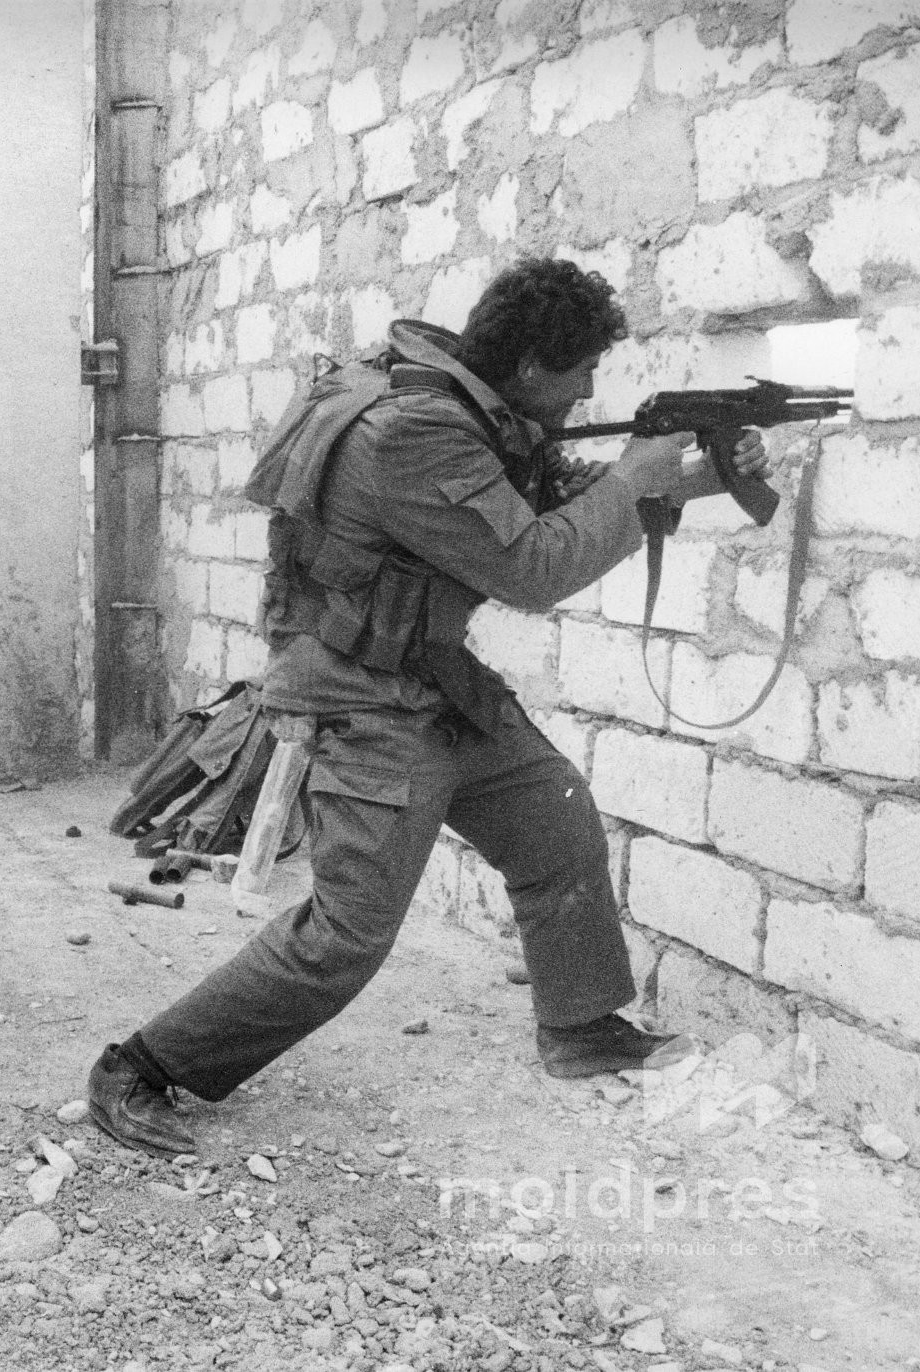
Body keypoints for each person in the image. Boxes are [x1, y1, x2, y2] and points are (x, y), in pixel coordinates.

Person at [84, 259, 773, 1158]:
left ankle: (581, 1026)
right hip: (361, 694)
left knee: (553, 817)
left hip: (430, 675)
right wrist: (633, 482)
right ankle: (139, 1068)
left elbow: (544, 498)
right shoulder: (414, 432)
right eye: (579, 374)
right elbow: (533, 567)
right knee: (346, 936)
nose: (587, 392)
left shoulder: (468, 406)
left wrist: (695, 477)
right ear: (530, 365)